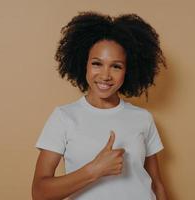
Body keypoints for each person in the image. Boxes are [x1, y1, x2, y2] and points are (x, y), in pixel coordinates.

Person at [32, 11, 168, 200]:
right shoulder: (64, 117)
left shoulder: (142, 118)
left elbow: (157, 185)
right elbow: (39, 193)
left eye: (116, 66)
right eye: (97, 63)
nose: (105, 75)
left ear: (128, 70)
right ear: (84, 64)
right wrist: (94, 170)